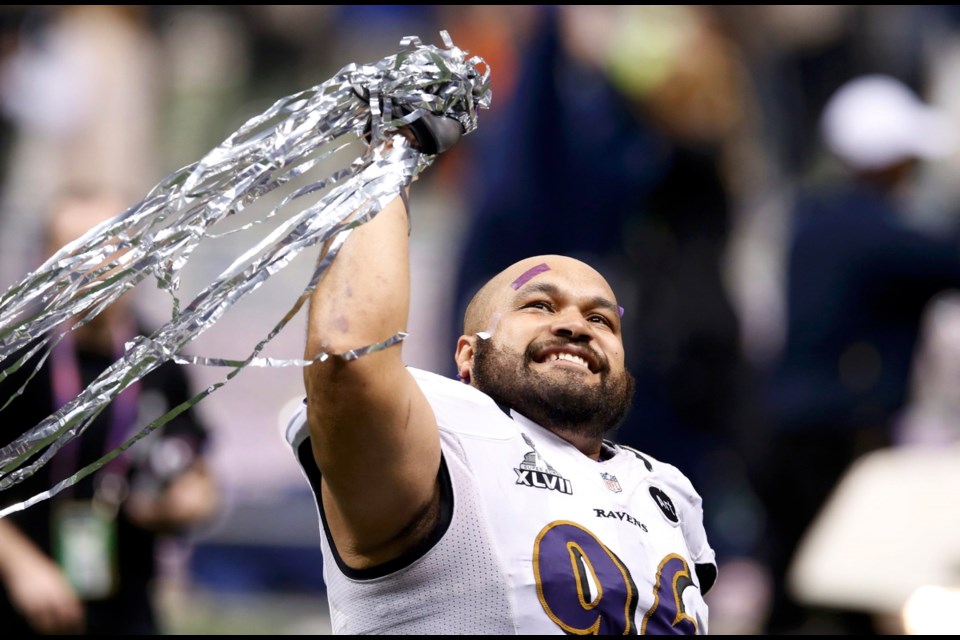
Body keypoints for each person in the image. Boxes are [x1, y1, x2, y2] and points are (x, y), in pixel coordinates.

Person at [283, 113, 717, 633]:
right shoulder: (451, 441)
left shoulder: (667, 489)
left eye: (600, 318)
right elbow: (348, 355)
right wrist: (390, 160)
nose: (576, 326)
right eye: (539, 305)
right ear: (467, 355)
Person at [758, 74, 960, 634]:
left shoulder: (815, 221)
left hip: (795, 427)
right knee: (852, 584)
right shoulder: (872, 233)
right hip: (839, 436)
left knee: (799, 586)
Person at [0, 188, 220, 635]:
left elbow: (196, 470)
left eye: (114, 245)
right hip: (19, 598)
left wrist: (188, 503)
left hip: (125, 602)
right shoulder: (16, 360)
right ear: (48, 259)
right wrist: (20, 567)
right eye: (80, 247)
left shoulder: (160, 356)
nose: (99, 263)